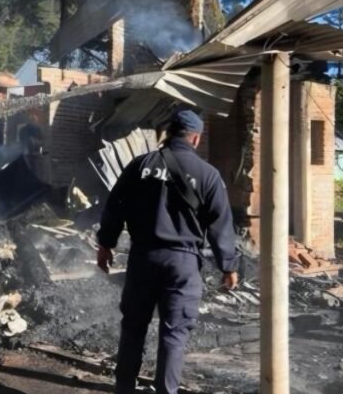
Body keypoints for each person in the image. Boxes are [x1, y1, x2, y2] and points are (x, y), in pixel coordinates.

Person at [96, 109, 239, 394]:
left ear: (168, 132)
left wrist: (106, 244)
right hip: (183, 263)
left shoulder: (140, 165)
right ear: (196, 138)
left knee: (133, 328)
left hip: (143, 258)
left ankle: (124, 389)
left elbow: (115, 205)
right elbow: (220, 223)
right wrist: (229, 266)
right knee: (173, 335)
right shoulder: (208, 175)